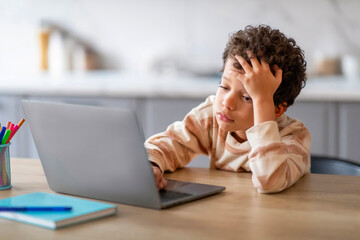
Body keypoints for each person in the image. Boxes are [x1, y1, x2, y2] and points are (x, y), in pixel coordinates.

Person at [145, 25, 311, 193]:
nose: (227, 102)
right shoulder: (211, 117)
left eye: (247, 97)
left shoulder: (294, 137)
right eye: (224, 86)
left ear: (276, 109)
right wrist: (153, 165)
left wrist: (262, 99)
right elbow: (170, 143)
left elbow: (271, 181)